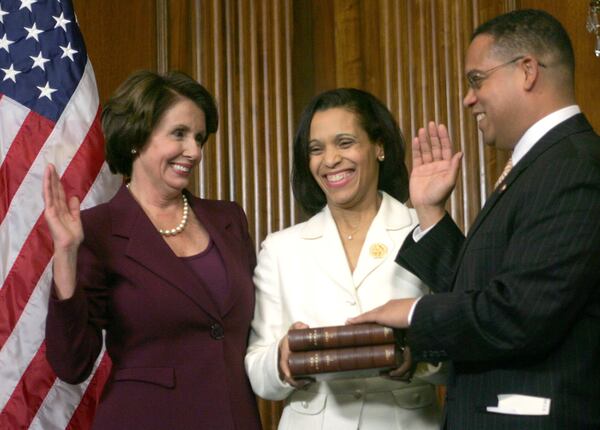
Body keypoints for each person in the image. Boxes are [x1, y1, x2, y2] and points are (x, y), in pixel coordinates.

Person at [349, 9, 600, 430]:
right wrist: (430, 212)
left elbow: (520, 314)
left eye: (476, 80)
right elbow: (486, 291)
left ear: (526, 71)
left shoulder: (575, 165)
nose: (468, 98)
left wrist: (414, 313)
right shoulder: (541, 164)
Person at [43, 70, 261, 429]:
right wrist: (65, 255)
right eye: (179, 134)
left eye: (199, 138)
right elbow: (72, 364)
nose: (194, 151)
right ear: (136, 138)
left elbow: (257, 330)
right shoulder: (97, 230)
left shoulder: (229, 219)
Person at [245, 88, 443, 429]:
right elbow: (257, 368)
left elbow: (466, 339)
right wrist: (282, 361)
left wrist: (417, 356)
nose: (330, 160)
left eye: (345, 142)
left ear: (378, 147)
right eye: (316, 149)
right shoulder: (280, 249)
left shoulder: (425, 230)